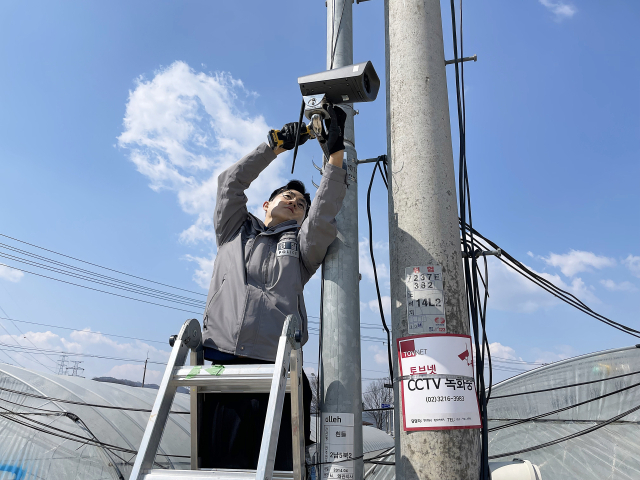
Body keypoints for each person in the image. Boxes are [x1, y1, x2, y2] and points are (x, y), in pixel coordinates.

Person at [199, 105, 348, 470]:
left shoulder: (302, 245)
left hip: (278, 372)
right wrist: (275, 145)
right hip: (225, 370)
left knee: (279, 471)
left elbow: (324, 212)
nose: (295, 202)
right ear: (266, 203)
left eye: (301, 204)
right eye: (287, 197)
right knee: (223, 470)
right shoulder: (235, 229)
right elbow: (230, 183)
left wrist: (335, 156)